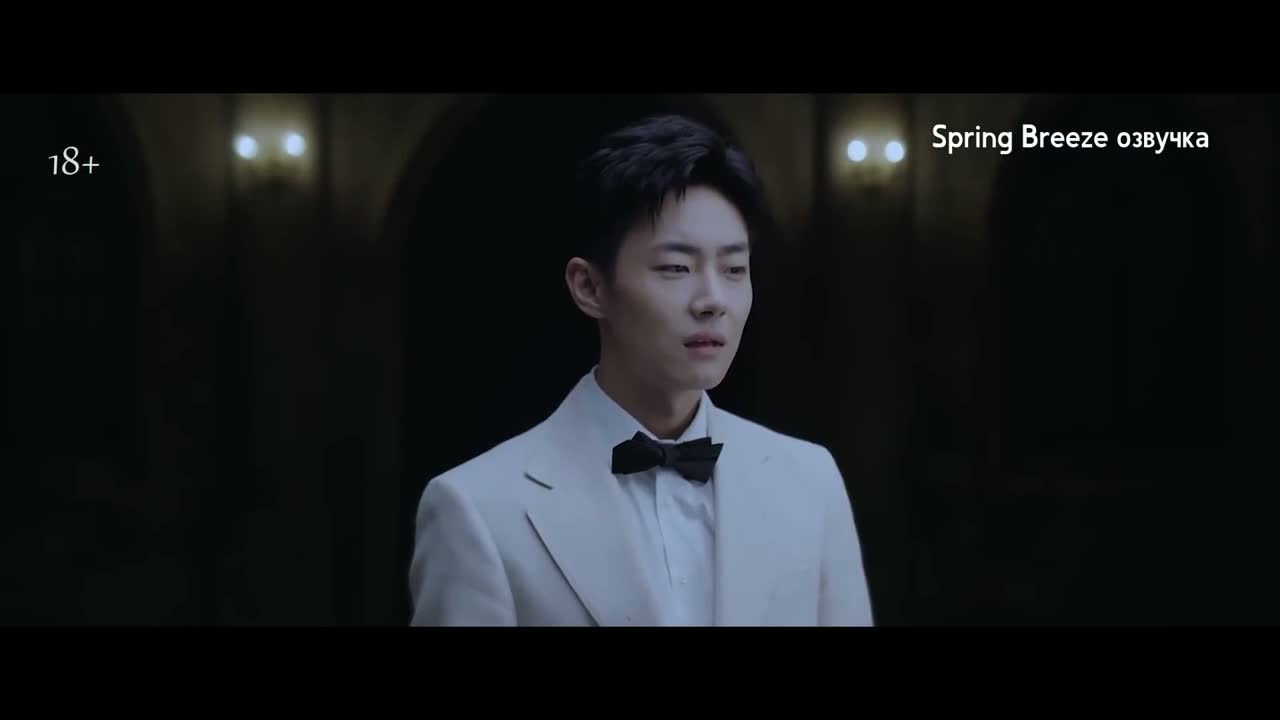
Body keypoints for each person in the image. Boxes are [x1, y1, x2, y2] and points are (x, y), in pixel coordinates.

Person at [408, 113, 874, 626]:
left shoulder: (809, 481)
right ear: (589, 287)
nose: (713, 300)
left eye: (734, 269)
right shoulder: (477, 507)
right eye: (676, 268)